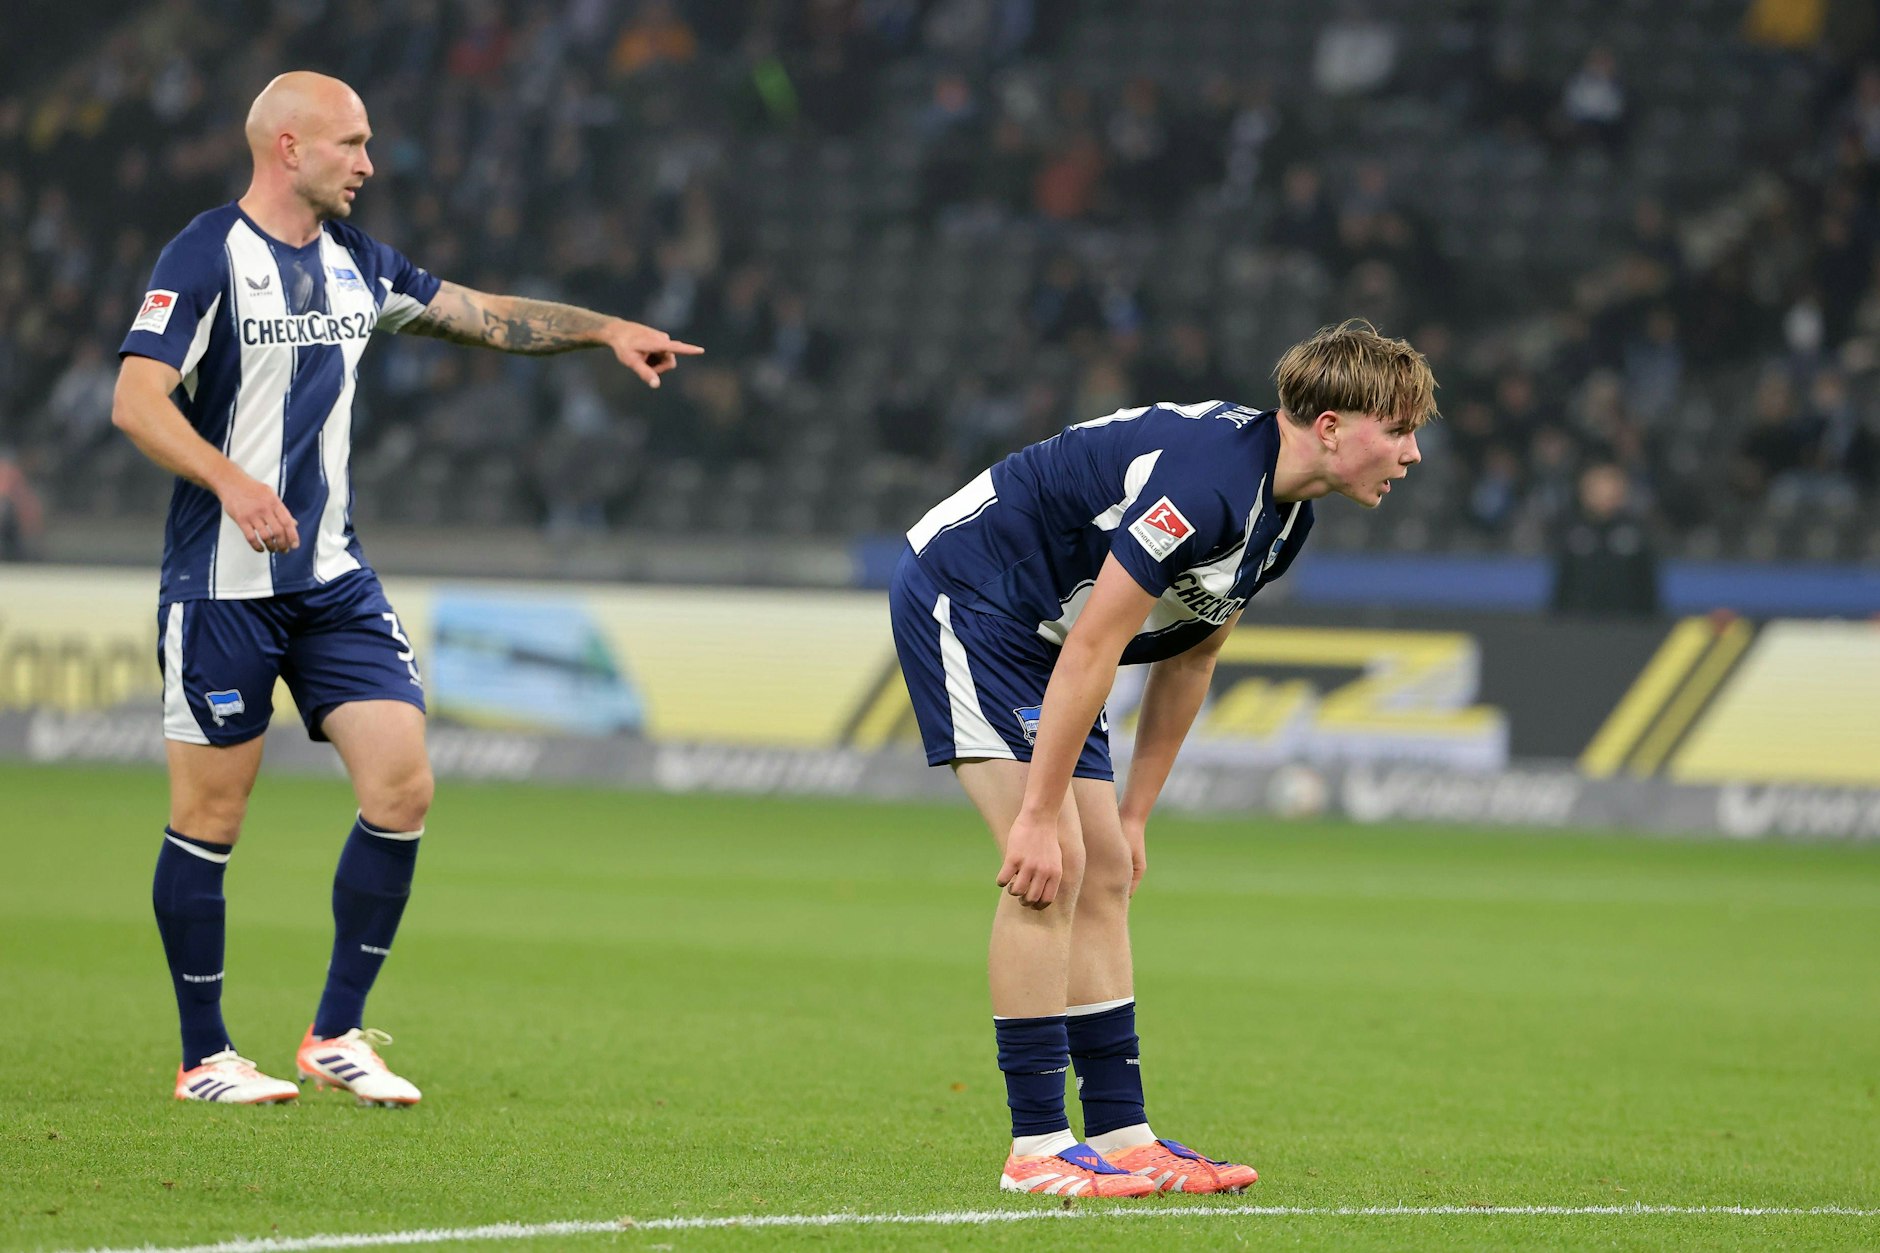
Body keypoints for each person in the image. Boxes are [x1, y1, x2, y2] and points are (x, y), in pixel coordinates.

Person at [112, 71, 701, 1106]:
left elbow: (481, 315)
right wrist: (231, 477)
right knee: (211, 816)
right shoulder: (205, 256)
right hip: (220, 589)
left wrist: (605, 329)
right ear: (288, 148)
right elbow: (135, 398)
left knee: (402, 785)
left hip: (331, 579)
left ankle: (333, 1032)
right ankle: (204, 1054)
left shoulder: (357, 264)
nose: (369, 164)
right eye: (350, 144)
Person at [889, 320, 1434, 1196]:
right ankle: (1036, 1150)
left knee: (1103, 865)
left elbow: (1193, 657)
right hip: (973, 598)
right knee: (1053, 864)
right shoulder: (1210, 482)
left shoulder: (1283, 520)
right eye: (1399, 429)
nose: (1411, 453)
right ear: (1330, 426)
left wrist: (1136, 812)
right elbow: (1099, 639)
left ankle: (1121, 1129)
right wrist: (1034, 815)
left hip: (1051, 635)